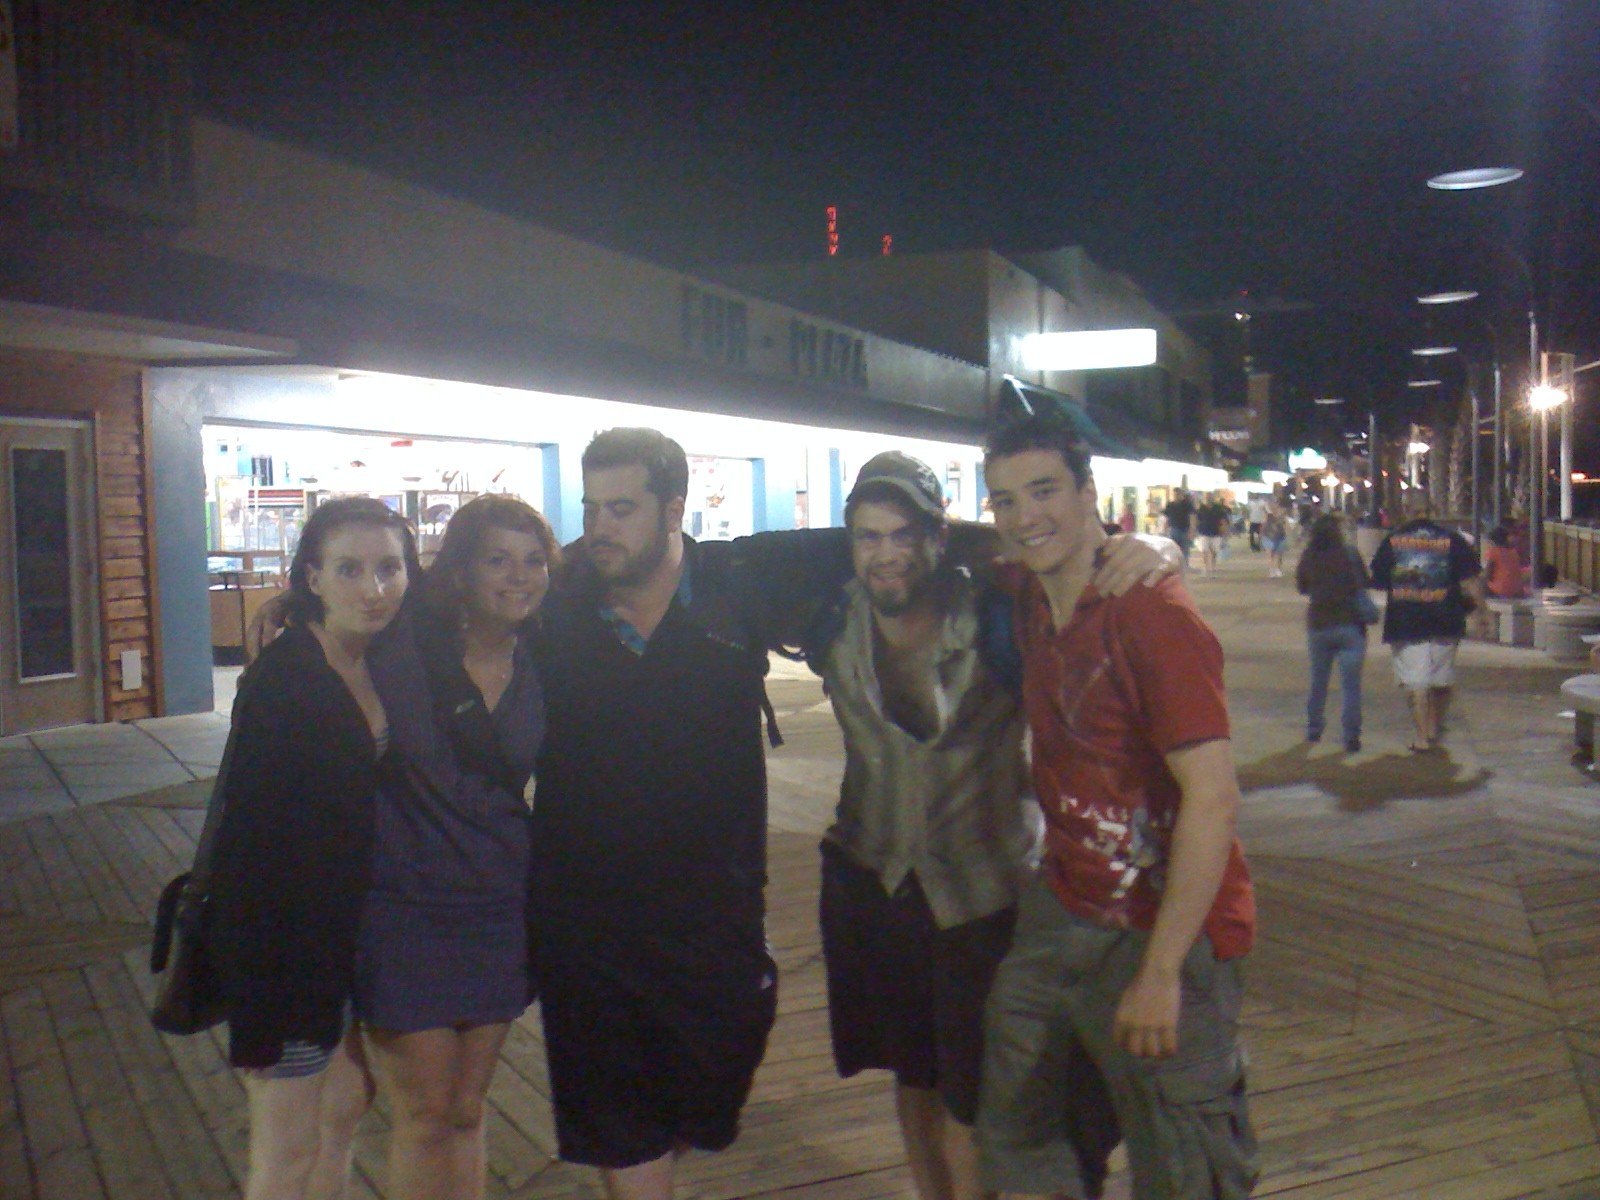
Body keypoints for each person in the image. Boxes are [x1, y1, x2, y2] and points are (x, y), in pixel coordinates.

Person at [803, 452, 1179, 1200]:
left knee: (977, 1091)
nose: (886, 553)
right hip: (874, 885)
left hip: (982, 894)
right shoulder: (831, 617)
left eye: (904, 534)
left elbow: (1080, 574)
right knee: (913, 1074)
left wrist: (1159, 548)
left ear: (938, 537)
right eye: (869, 536)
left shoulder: (999, 617)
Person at [975, 412, 1258, 1200]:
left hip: (1168, 928)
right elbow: (939, 544)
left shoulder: (1151, 615)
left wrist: (1163, 972)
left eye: (1044, 491)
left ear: (1089, 491)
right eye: (1006, 500)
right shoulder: (1028, 591)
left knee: (1185, 1164)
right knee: (1017, 1127)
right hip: (1063, 903)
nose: (1026, 516)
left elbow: (1213, 799)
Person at [209, 497, 418, 1200]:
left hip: (342, 938)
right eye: (349, 569)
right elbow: (248, 845)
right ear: (313, 577)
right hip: (287, 953)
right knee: (287, 1147)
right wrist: (259, 1004)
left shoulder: (372, 655)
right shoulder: (287, 680)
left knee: (346, 1102)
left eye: (390, 568)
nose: (374, 587)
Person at [359, 495, 555, 1199]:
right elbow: (331, 640)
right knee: (424, 1113)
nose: (519, 576)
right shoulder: (405, 649)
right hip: (406, 905)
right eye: (498, 559)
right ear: (461, 571)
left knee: (467, 1108)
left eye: (533, 561)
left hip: (498, 905)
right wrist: (289, 611)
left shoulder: (545, 661)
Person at [1369, 504, 1491, 752]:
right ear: (1433, 512)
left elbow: (1379, 581)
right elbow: (1471, 580)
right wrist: (1482, 612)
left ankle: (1422, 736)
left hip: (1405, 621)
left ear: (1406, 511)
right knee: (1441, 680)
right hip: (1446, 619)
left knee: (1416, 683)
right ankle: (1434, 726)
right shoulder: (1452, 540)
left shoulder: (1392, 541)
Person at [1296, 514, 1371, 753]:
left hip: (1319, 624)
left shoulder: (1310, 555)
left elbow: (1302, 587)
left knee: (1318, 682)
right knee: (1351, 686)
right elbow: (1364, 582)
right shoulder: (1350, 554)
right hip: (1350, 624)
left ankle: (1314, 729)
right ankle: (1351, 736)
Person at [1482, 521, 1529, 599]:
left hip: (1501, 590)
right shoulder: (1513, 552)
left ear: (1492, 541)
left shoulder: (1493, 552)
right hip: (1517, 590)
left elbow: (1487, 575)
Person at [1193, 492, 1231, 578]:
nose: (1208, 499)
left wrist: (1225, 531)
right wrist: (1194, 530)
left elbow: (1223, 520)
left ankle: (1212, 568)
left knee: (1214, 552)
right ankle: (1206, 568)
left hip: (1216, 532)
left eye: (1210, 497)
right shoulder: (1200, 508)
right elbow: (1196, 519)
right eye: (1206, 497)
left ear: (1213, 498)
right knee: (1204, 551)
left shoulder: (1218, 508)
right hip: (1203, 532)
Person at [1162, 488, 1194, 568]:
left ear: (1181, 495)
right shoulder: (1170, 505)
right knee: (1173, 549)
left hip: (1184, 529)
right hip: (1173, 529)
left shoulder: (1187, 505)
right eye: (1175, 494)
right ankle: (1175, 565)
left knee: (1184, 549)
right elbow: (1167, 518)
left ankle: (1184, 565)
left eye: (1178, 494)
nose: (1176, 496)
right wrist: (1165, 529)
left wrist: (1191, 530)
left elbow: (1192, 517)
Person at [1261, 506, 1288, 578]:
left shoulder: (1282, 517)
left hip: (1280, 537)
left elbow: (1285, 526)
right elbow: (1264, 525)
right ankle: (1271, 570)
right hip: (1268, 537)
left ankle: (1278, 569)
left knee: (1279, 555)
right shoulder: (1268, 516)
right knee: (1270, 555)